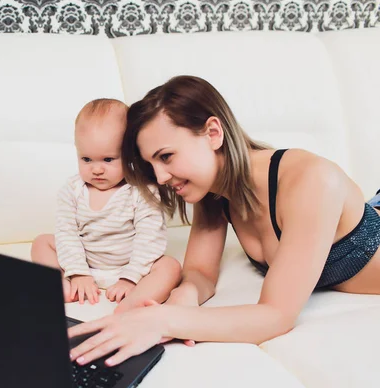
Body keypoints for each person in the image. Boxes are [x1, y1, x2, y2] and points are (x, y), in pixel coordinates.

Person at [67, 75, 380, 368]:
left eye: (166, 156)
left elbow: (277, 314)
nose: (160, 177)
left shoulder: (312, 181)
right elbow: (201, 273)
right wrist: (180, 302)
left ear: (213, 133)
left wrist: (164, 321)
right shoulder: (214, 191)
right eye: (152, 164)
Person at [31, 98, 183, 313]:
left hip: (130, 268)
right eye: (86, 159)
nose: (97, 170)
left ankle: (135, 301)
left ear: (130, 155)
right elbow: (67, 233)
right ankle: (62, 287)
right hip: (85, 265)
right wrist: (78, 273)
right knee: (42, 242)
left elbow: (149, 238)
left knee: (170, 266)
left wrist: (130, 278)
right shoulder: (72, 190)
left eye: (108, 160)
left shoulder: (142, 190)